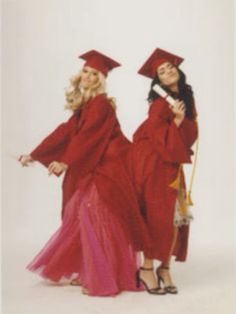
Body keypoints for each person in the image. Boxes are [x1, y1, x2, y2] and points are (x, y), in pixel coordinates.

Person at [19, 50, 151, 296]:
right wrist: (35, 154)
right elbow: (66, 132)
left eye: (94, 74)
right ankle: (91, 269)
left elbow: (88, 138)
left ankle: (104, 276)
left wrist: (66, 162)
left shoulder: (100, 105)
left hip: (107, 167)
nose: (88, 77)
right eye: (86, 72)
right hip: (94, 164)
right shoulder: (87, 105)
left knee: (99, 217)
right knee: (85, 216)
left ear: (101, 79)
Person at [130, 48, 198, 294]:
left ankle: (165, 267)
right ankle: (147, 268)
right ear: (157, 81)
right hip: (154, 163)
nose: (168, 71)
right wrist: (177, 123)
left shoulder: (185, 98)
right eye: (162, 71)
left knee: (173, 216)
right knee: (156, 212)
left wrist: (182, 122)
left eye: (170, 67)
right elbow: (156, 137)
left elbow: (191, 135)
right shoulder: (159, 104)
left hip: (172, 162)